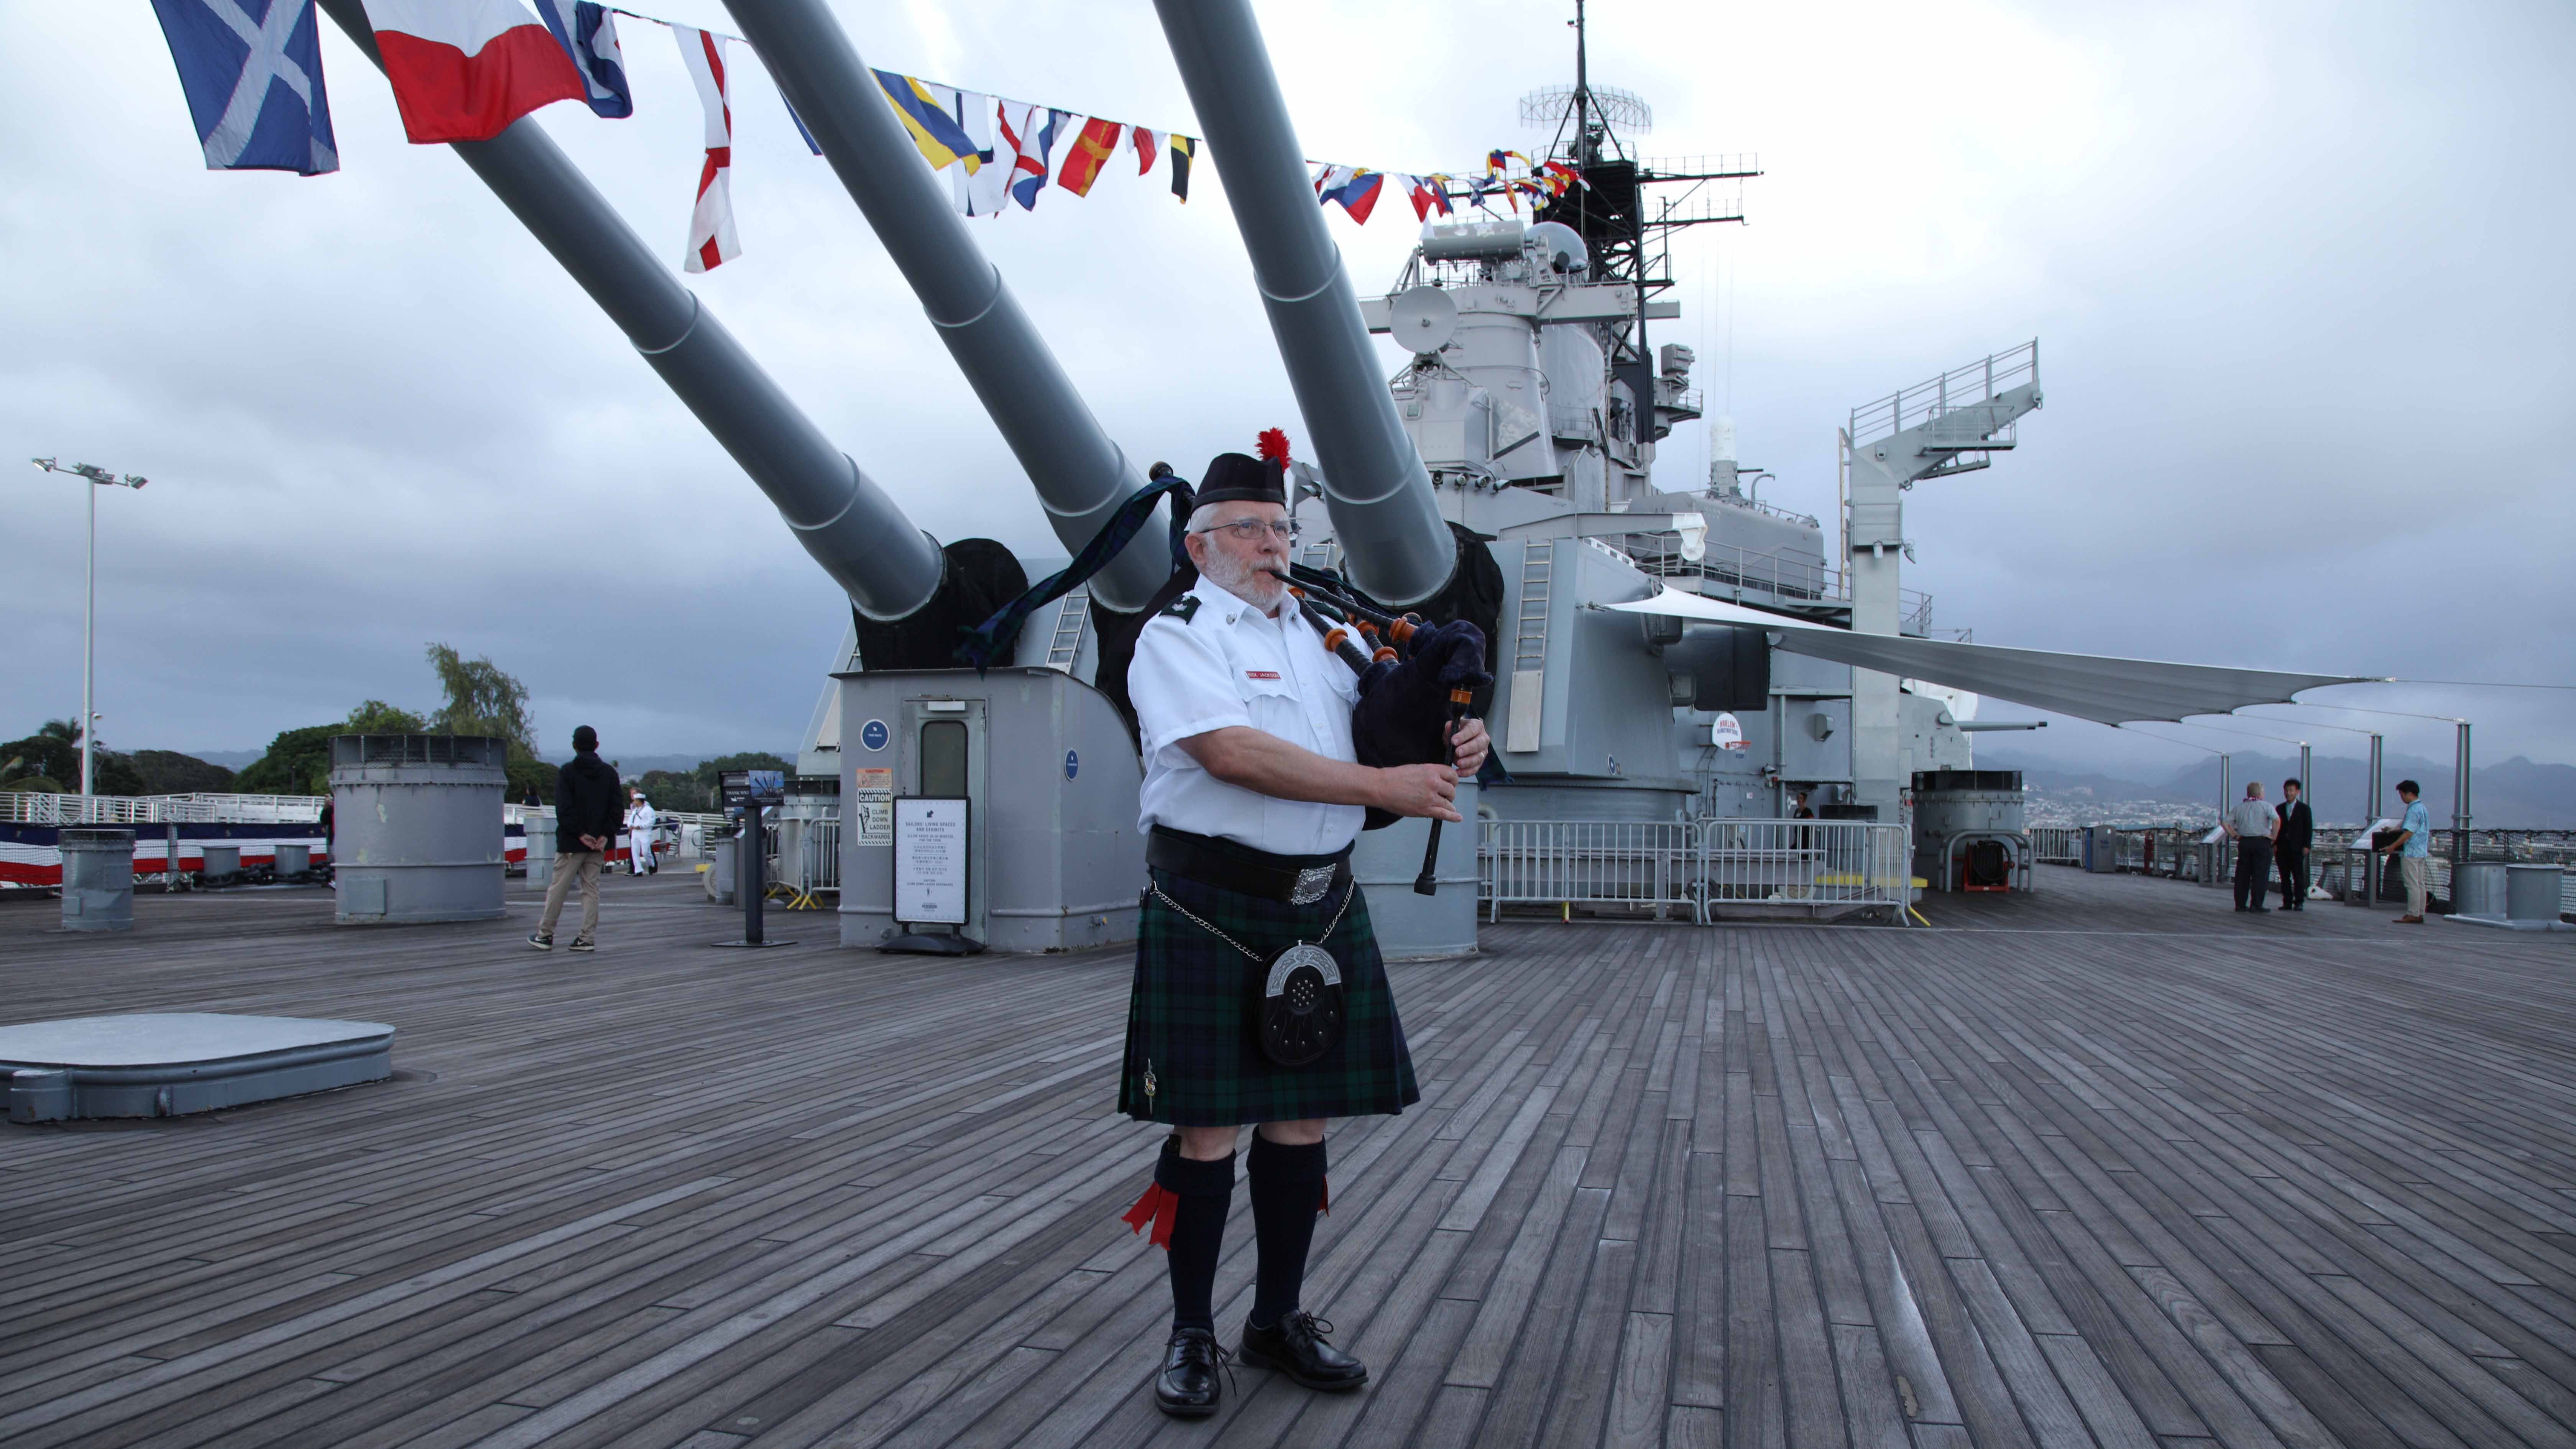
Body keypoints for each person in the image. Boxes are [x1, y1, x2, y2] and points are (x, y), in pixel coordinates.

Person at [1117, 440, 1490, 1418]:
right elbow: (1229, 752)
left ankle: (1275, 1319)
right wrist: (1383, 787)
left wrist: (1453, 737)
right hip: (1212, 905)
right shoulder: (1178, 637)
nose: (1273, 543)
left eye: (1282, 527)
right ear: (1201, 547)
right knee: (1207, 1133)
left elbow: (1388, 725)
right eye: (1250, 528)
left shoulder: (1334, 635)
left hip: (1319, 903)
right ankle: (1192, 1334)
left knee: (1302, 1123)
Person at [531, 725, 622, 952]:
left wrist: (581, 834)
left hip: (573, 842)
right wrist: (604, 835)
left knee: (559, 889)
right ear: (597, 746)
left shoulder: (567, 772)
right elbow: (617, 810)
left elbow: (564, 809)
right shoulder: (610, 773)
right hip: (599, 844)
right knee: (591, 890)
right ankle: (586, 938)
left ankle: (545, 935)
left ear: (574, 745)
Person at [2380, 779, 2433, 923]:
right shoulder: (2422, 808)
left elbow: (2409, 832)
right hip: (2421, 851)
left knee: (2411, 884)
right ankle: (2420, 912)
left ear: (2409, 794)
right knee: (2420, 884)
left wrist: (2393, 846)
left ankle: (2413, 914)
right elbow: (2411, 828)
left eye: (2402, 795)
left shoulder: (2413, 810)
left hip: (2411, 852)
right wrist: (2393, 830)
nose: (2402, 798)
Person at [2225, 780, 2279, 912]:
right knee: (2260, 874)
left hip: (2245, 842)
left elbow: (2225, 823)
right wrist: (2274, 836)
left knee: (2243, 874)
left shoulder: (2240, 808)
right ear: (2261, 793)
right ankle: (2257, 904)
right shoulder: (2266, 806)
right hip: (2262, 842)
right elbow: (2277, 820)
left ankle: (2240, 904)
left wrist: (2235, 836)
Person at [2274, 777, 2313, 910]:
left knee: (2298, 876)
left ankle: (2299, 901)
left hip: (2298, 848)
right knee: (2285, 877)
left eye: (2291, 791)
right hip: (2282, 848)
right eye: (2286, 791)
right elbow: (2276, 828)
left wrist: (2307, 845)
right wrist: (2275, 844)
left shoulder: (2304, 809)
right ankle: (2287, 902)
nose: (2288, 793)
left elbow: (2309, 828)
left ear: (2298, 792)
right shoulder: (2279, 809)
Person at [623, 789, 659, 876]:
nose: (634, 802)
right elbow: (630, 820)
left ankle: (652, 865)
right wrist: (630, 826)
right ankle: (638, 870)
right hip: (635, 833)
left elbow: (652, 821)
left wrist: (642, 826)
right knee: (635, 852)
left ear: (639, 801)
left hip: (645, 833)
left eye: (635, 800)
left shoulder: (648, 809)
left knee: (645, 852)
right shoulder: (636, 810)